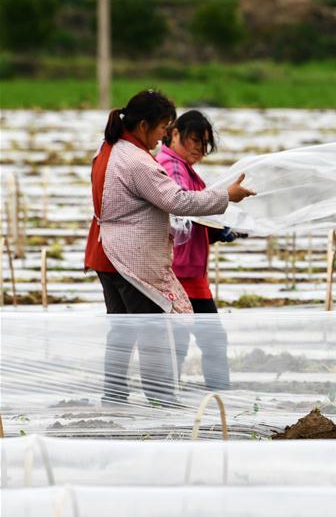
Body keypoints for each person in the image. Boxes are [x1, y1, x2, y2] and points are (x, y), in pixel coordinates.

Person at [84, 89, 255, 405]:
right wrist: (226, 196)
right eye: (163, 128)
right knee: (154, 334)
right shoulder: (136, 161)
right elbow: (177, 200)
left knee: (121, 332)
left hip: (106, 253)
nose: (163, 136)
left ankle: (115, 398)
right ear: (145, 124)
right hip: (129, 261)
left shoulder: (108, 147)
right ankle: (162, 401)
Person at [158, 110, 241, 391]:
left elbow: (196, 214)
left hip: (191, 269)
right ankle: (176, 397)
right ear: (175, 133)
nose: (199, 149)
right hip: (180, 271)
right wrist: (224, 204)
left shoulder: (184, 167)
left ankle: (175, 396)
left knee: (194, 338)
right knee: (203, 338)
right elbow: (185, 205)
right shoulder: (171, 166)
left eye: (204, 144)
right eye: (194, 140)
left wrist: (219, 230)